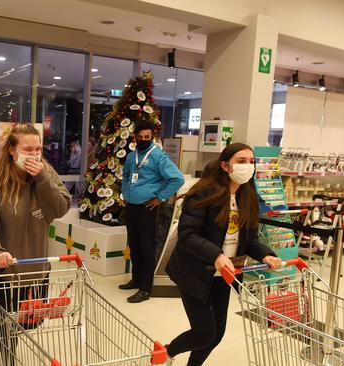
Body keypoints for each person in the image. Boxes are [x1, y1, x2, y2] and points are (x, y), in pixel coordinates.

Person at [164, 143, 282, 365]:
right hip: (194, 271)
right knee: (204, 333)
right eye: (241, 161)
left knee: (217, 335)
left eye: (251, 161)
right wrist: (217, 255)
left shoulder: (248, 197)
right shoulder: (203, 193)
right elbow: (188, 234)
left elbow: (251, 239)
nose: (248, 166)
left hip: (226, 275)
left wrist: (266, 255)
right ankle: (167, 353)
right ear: (226, 166)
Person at [0, 124, 70, 364]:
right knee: (7, 320)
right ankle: (8, 357)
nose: (34, 154)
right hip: (2, 270)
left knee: (32, 320)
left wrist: (42, 178)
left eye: (38, 149)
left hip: (35, 266)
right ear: (12, 150)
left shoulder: (46, 173)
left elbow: (60, 207)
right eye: (27, 149)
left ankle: (11, 340)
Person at [119, 119, 185, 303]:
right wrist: (125, 192)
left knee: (147, 249)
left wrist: (161, 198)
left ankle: (145, 288)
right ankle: (136, 279)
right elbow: (125, 176)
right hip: (131, 207)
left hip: (148, 208)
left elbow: (177, 179)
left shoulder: (158, 157)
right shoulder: (132, 156)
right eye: (140, 137)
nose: (143, 139)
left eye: (147, 137)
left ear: (152, 137)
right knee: (134, 246)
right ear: (135, 138)